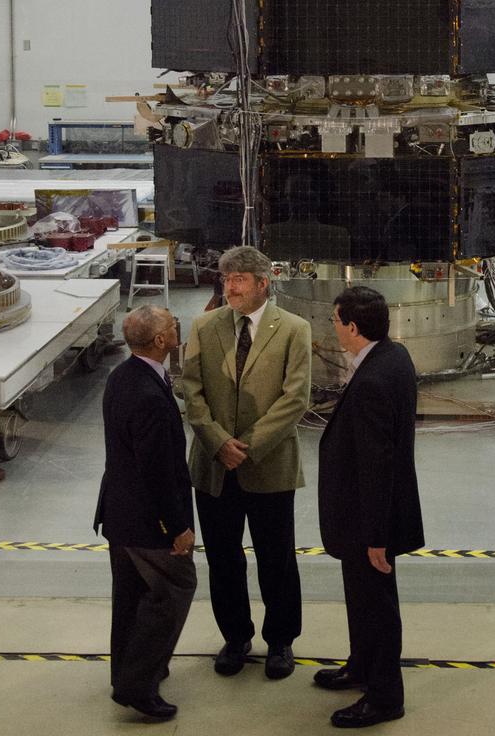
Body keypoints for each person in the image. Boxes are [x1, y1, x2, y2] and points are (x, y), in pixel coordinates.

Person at [181, 245, 312, 681]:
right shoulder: (204, 326)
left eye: (239, 279)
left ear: (263, 282)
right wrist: (218, 442)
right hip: (214, 467)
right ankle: (235, 637)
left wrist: (250, 445)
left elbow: (295, 398)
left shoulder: (294, 329)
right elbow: (191, 391)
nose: (230, 287)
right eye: (225, 279)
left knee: (277, 559)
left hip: (269, 465)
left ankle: (280, 641)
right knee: (223, 558)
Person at [316, 286, 424, 729]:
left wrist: (377, 536)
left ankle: (383, 697)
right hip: (362, 515)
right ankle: (361, 666)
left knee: (376, 606)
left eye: (336, 321)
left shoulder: (374, 381)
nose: (334, 328)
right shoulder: (392, 355)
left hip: (368, 519)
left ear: (353, 327)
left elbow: (378, 464)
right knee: (362, 600)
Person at [94, 304, 196, 723]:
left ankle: (128, 670)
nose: (177, 329)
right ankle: (138, 686)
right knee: (172, 591)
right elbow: (158, 472)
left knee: (131, 599)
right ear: (160, 341)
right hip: (146, 522)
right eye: (173, 326)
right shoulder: (150, 397)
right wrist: (178, 528)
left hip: (119, 514)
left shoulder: (123, 377)